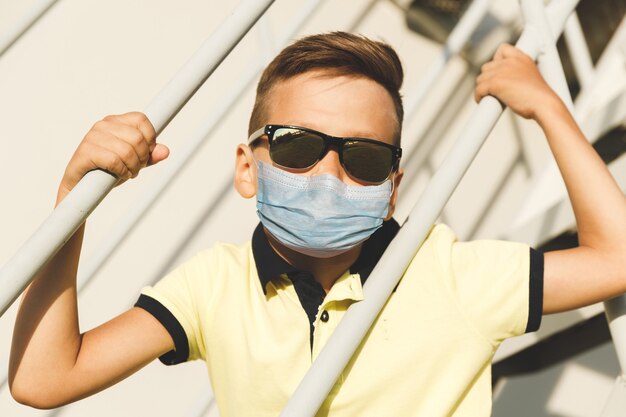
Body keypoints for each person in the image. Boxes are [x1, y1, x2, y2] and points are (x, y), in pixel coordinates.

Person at [8, 31, 626, 416]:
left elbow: (617, 257)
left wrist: (546, 106)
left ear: (392, 188)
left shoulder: (449, 274)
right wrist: (75, 199)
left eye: (363, 158)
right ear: (248, 167)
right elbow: (44, 380)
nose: (329, 173)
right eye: (299, 146)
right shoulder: (214, 286)